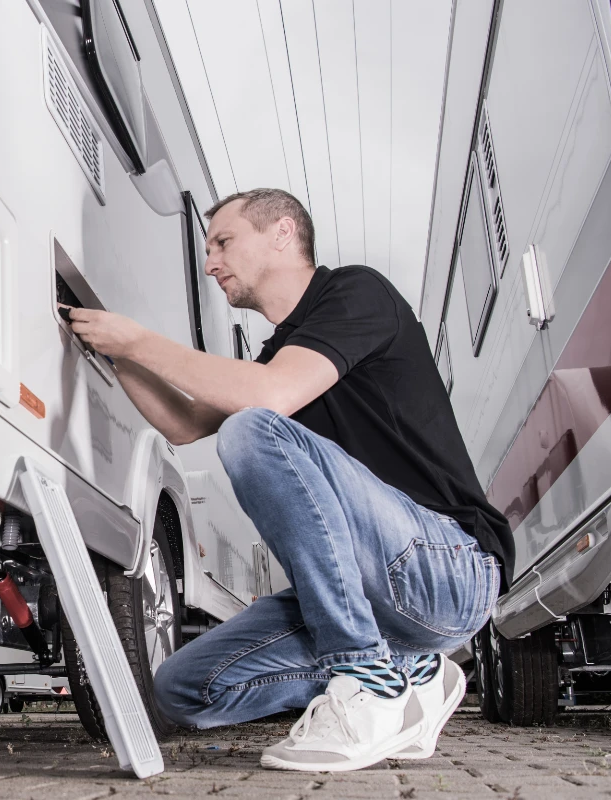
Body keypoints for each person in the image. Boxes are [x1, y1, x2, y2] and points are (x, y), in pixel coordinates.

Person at [64, 188, 512, 772]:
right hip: (378, 597)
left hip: (449, 568)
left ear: (281, 232)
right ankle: (415, 672)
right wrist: (118, 352)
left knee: (251, 429)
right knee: (182, 687)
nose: (210, 263)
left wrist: (141, 340)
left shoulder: (357, 293)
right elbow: (182, 421)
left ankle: (365, 679)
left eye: (223, 242)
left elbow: (266, 399)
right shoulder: (280, 353)